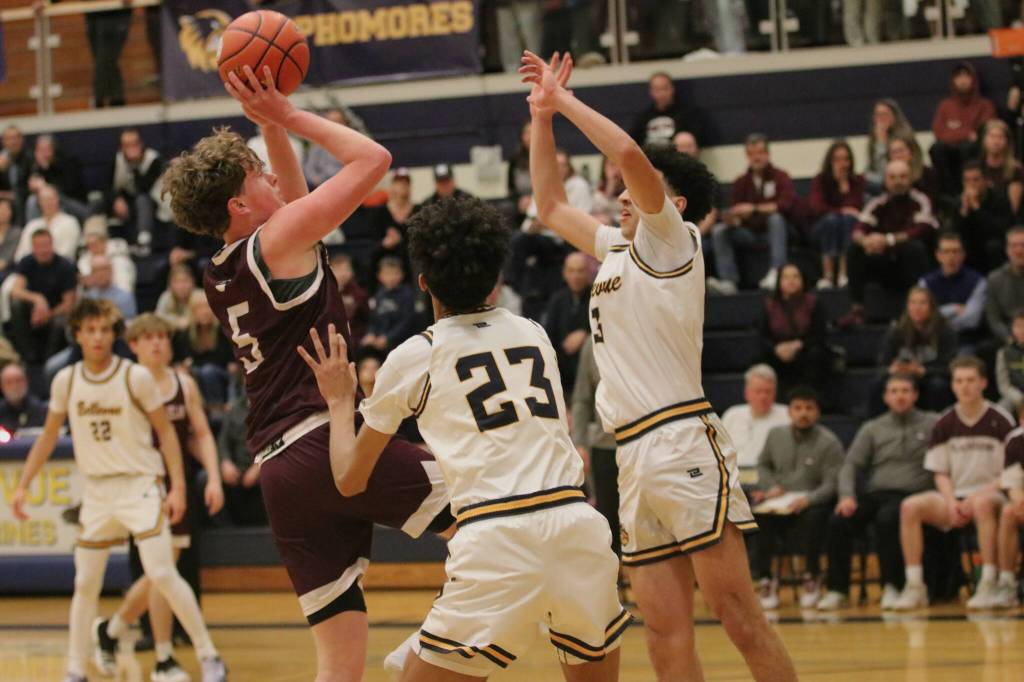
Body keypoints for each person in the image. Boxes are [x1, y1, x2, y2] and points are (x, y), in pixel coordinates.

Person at [162, 65, 451, 681]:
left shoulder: (223, 266)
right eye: (255, 175)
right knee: (485, 513)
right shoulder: (275, 241)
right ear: (240, 204)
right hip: (325, 439)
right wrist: (288, 116)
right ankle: (434, 652)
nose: (270, 172)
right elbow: (374, 159)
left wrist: (269, 125)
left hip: (281, 472)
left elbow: (291, 197)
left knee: (338, 662)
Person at [525, 51, 795, 681]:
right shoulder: (618, 247)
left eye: (632, 192)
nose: (619, 198)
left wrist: (563, 99)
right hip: (631, 453)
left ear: (671, 201)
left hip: (681, 442)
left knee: (737, 615)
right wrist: (542, 118)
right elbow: (547, 204)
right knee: (662, 636)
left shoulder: (676, 240)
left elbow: (628, 155)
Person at [324, 195, 624, 680]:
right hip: (577, 526)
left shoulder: (414, 355)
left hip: (497, 535)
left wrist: (341, 402)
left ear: (423, 283)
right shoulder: (533, 333)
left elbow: (349, 479)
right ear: (496, 280)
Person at [8, 298, 226, 682]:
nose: (98, 337)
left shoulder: (134, 377)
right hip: (97, 492)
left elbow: (166, 434)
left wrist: (177, 486)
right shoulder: (66, 380)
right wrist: (23, 485)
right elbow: (46, 438)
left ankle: (209, 656)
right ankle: (75, 668)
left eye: (105, 330)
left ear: (113, 335)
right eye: (90, 330)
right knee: (84, 584)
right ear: (77, 334)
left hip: (140, 484)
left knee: (162, 571)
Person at [93, 313, 225, 682]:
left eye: (162, 338)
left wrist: (213, 477)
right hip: (142, 488)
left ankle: (116, 632)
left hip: (177, 484)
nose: (157, 344)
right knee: (160, 570)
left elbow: (199, 435)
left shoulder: (184, 384)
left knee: (161, 571)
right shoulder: (123, 386)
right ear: (133, 345)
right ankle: (161, 653)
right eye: (148, 338)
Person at [893, 357, 1016, 610]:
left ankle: (989, 583)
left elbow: (1011, 473)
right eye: (959, 381)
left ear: (983, 382)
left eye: (970, 380)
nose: (965, 386)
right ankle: (915, 586)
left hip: (991, 494)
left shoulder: (1000, 420)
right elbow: (940, 472)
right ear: (952, 385)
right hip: (955, 496)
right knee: (910, 507)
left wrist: (974, 498)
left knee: (982, 504)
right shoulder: (945, 422)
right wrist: (951, 502)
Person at [817, 374, 937, 611]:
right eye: (894, 391)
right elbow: (850, 465)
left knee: (888, 519)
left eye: (905, 390)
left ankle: (892, 586)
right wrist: (846, 496)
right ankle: (836, 589)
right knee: (839, 521)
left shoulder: (932, 423)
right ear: (885, 397)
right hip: (878, 493)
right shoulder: (872, 428)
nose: (899, 396)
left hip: (914, 495)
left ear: (915, 395)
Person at [750, 387, 843, 610]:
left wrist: (809, 499)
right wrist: (770, 487)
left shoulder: (829, 442)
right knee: (759, 517)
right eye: (798, 408)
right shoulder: (775, 435)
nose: (803, 413)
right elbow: (763, 464)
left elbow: (832, 482)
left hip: (810, 501)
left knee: (814, 518)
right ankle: (765, 579)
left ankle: (811, 577)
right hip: (779, 500)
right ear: (789, 412)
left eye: (809, 408)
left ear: (817, 412)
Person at [840, 159, 936, 328]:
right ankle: (858, 309)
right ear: (885, 180)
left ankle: (914, 309)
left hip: (909, 266)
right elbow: (858, 230)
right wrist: (866, 241)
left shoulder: (920, 200)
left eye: (902, 176)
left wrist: (888, 240)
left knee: (915, 248)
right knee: (854, 249)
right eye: (893, 177)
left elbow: (921, 230)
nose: (898, 182)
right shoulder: (878, 203)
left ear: (911, 178)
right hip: (884, 265)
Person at [714, 133, 797, 291]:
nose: (756, 158)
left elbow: (786, 205)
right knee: (720, 231)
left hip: (777, 232)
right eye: (752, 154)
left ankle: (777, 272)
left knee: (776, 218)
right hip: (750, 233)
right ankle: (728, 281)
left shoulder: (780, 176)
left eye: (760, 153)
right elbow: (737, 211)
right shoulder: (741, 182)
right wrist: (734, 220)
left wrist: (754, 209)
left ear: (767, 154)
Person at [874, 287, 957, 414]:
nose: (917, 307)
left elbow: (950, 367)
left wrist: (923, 371)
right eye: (913, 303)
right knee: (878, 384)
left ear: (931, 307)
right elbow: (883, 364)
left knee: (938, 385)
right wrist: (893, 369)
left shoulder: (944, 331)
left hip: (930, 377)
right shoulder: (896, 331)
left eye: (922, 303)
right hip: (902, 377)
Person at [572, 336, 620, 556]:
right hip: (605, 446)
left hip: (641, 443)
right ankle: (615, 581)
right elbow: (582, 398)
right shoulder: (592, 344)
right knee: (607, 519)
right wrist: (579, 442)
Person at [8, 229, 77, 365]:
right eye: (38, 246)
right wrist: (38, 299)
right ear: (33, 248)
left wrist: (48, 314)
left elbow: (69, 304)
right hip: (34, 311)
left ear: (52, 245)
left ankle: (49, 361)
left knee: (61, 321)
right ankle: (27, 356)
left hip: (57, 311)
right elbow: (15, 290)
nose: (43, 250)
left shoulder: (65, 266)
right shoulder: (27, 261)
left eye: (46, 245)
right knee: (16, 305)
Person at [759, 264, 828, 400]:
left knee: (816, 355)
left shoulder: (813, 302)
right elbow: (762, 336)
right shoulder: (769, 305)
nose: (791, 281)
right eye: (786, 277)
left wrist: (798, 345)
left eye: (795, 276)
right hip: (778, 351)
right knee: (761, 359)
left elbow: (819, 334)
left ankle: (809, 400)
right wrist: (776, 348)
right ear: (779, 281)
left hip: (805, 348)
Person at [930, 62, 997, 196]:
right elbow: (939, 132)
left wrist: (955, 133)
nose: (962, 80)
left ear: (973, 79)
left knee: (967, 147)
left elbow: (983, 132)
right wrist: (965, 133)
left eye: (966, 76)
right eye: (958, 76)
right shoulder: (945, 106)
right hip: (949, 151)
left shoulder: (985, 105)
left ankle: (969, 189)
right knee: (937, 148)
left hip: (972, 151)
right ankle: (948, 195)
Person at [809, 140, 865, 289]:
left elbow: (856, 209)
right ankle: (828, 275)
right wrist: (840, 211)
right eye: (838, 159)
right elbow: (817, 207)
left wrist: (845, 186)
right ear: (830, 161)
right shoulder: (820, 180)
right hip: (823, 228)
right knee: (832, 220)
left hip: (848, 227)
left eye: (846, 159)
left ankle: (844, 273)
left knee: (848, 220)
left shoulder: (857, 181)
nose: (843, 164)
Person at [919, 231, 986, 351]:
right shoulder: (926, 282)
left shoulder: (977, 281)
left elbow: (972, 319)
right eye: (946, 252)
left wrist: (937, 318)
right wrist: (953, 308)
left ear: (963, 254)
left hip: (964, 341)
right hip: (932, 341)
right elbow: (922, 315)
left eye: (955, 251)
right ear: (938, 255)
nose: (951, 256)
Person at [721, 364, 791, 473]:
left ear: (775, 392)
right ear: (747, 393)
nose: (763, 396)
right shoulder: (732, 414)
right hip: (734, 478)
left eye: (768, 391)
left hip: (772, 478)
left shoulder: (787, 415)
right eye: (758, 391)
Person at [542, 251, 592, 394]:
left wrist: (586, 334)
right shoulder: (556, 300)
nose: (576, 276)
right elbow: (548, 338)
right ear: (564, 273)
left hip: (588, 372)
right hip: (562, 376)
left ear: (588, 273)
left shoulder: (596, 297)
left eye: (580, 271)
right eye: (571, 271)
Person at [106, 128, 164, 246]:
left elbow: (143, 187)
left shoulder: (153, 159)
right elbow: (108, 186)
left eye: (134, 144)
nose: (131, 148)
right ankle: (93, 236)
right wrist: (116, 199)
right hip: (125, 198)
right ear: (121, 147)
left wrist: (134, 165)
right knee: (98, 202)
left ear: (141, 144)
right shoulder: (116, 160)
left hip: (151, 200)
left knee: (142, 200)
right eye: (127, 145)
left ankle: (144, 239)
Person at [954, 160, 1013, 274]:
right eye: (967, 180)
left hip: (993, 245)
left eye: (976, 180)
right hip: (970, 245)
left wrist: (977, 208)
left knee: (993, 246)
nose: (971, 184)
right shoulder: (959, 202)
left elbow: (1000, 230)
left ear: (986, 180)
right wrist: (964, 212)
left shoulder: (999, 198)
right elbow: (956, 233)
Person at [630, 72, 703, 149]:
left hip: (676, 157)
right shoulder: (643, 118)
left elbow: (697, 141)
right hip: (650, 157)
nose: (662, 93)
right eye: (657, 89)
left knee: (685, 139)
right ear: (651, 92)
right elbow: (632, 143)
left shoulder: (687, 114)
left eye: (665, 88)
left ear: (672, 89)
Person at [995, 419, 1024, 608]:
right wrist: (1020, 502)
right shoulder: (1016, 440)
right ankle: (1007, 582)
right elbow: (1012, 484)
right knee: (1008, 511)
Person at [362, 256, 417, 353]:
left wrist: (388, 337)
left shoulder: (407, 294)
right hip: (380, 340)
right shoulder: (379, 295)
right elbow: (373, 320)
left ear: (401, 275)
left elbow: (407, 322)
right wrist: (371, 333)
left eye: (395, 273)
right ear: (380, 276)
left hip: (400, 343)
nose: (391, 277)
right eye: (387, 274)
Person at [15, 184, 81, 262]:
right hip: (31, 268)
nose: (48, 203)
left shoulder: (70, 222)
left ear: (57, 199)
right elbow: (20, 255)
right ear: (39, 202)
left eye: (50, 199)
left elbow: (67, 252)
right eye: (43, 199)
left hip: (59, 268)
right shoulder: (32, 225)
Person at [985, 227, 1024, 346]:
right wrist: (1009, 339)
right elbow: (993, 318)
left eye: (1023, 245)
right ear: (1007, 250)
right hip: (1008, 337)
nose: (1019, 250)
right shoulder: (994, 279)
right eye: (1013, 246)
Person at [977, 119, 1024, 217]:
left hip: (1005, 218)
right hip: (980, 216)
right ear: (984, 139)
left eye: (1000, 137)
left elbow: (1013, 208)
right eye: (992, 136)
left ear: (1007, 141)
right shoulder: (977, 167)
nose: (996, 141)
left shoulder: (1016, 170)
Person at [864, 99, 913, 192]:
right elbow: (872, 166)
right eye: (877, 115)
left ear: (894, 116)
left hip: (901, 178)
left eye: (884, 114)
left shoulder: (904, 136)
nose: (881, 119)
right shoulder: (874, 138)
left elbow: (888, 170)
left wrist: (881, 143)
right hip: (881, 180)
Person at [80, 254, 136, 321]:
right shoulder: (87, 298)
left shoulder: (125, 296)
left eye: (104, 269)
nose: (101, 274)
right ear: (91, 273)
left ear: (111, 271)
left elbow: (129, 324)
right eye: (96, 270)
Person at [886, 133, 940, 202]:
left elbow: (932, 200)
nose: (898, 156)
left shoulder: (927, 173)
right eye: (894, 152)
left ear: (910, 153)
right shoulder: (888, 175)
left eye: (901, 151)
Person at [329, 253, 369, 344]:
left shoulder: (359, 294)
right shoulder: (325, 293)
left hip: (355, 340)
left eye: (346, 269)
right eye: (338, 270)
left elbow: (366, 319)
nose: (343, 273)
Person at [0, 362, 46, 433]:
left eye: (18, 381)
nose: (14, 386)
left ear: (26, 381)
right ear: (2, 386)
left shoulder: (41, 410)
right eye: (9, 382)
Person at [995, 310, 1024, 413]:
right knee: (1001, 409)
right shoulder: (1004, 353)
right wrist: (1018, 398)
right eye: (1018, 326)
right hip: (1015, 396)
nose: (1022, 330)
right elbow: (1003, 384)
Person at [155, 264, 196, 333]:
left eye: (185, 281)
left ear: (192, 283)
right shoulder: (166, 296)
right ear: (170, 285)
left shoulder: (199, 296)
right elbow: (157, 317)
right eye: (177, 282)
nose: (181, 286)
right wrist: (177, 321)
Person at [0, 197, 23, 274]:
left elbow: (6, 260)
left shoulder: (16, 233)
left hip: (8, 270)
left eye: (6, 209)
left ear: (11, 212)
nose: (2, 212)